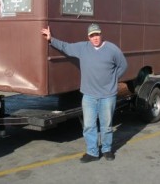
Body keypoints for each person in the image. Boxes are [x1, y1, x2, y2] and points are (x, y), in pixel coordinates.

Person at [41, 23, 127, 163]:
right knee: (89, 125)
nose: (95, 38)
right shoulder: (82, 48)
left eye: (97, 34)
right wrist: (51, 39)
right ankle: (92, 152)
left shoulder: (112, 49)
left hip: (108, 96)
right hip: (89, 96)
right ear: (88, 37)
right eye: (92, 35)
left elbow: (123, 65)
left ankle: (107, 150)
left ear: (101, 34)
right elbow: (66, 47)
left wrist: (113, 79)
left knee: (106, 125)